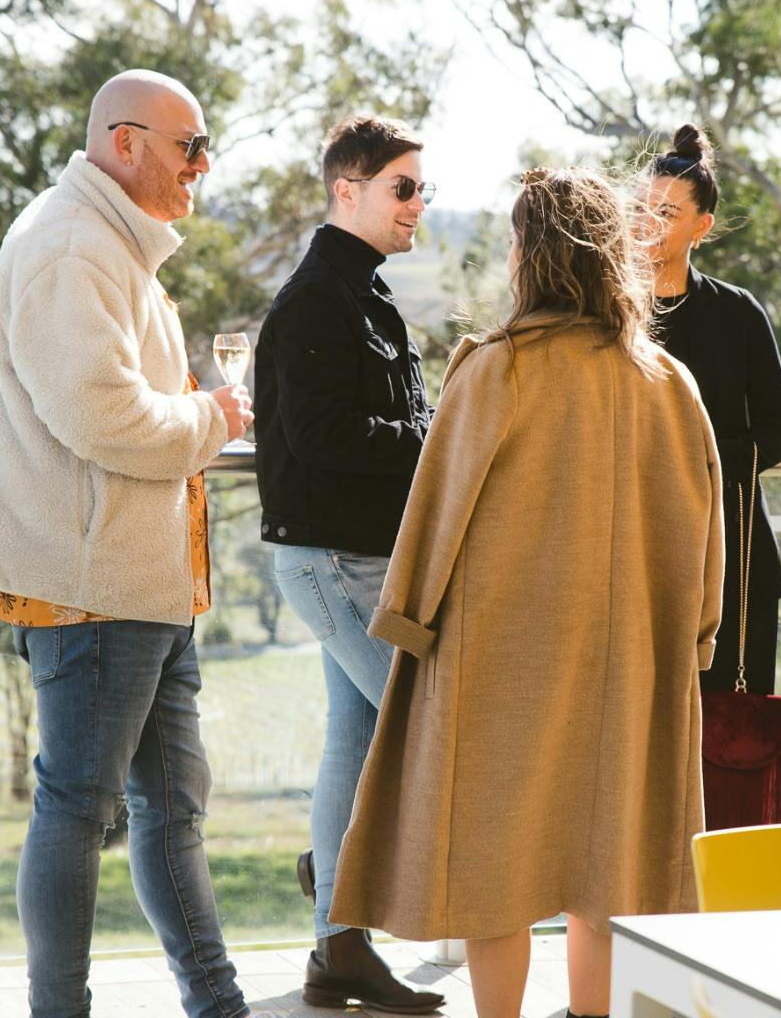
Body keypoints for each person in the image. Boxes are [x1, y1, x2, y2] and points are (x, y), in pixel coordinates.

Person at [329, 167, 725, 1018]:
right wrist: (695, 637)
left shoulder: (497, 368)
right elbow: (706, 532)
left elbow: (435, 512)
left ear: (529, 255)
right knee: (610, 866)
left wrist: (408, 619)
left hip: (504, 662)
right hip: (632, 665)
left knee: (493, 874)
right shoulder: (669, 383)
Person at [0, 69, 256, 1018]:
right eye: (190, 145)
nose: (203, 164)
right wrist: (213, 418)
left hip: (141, 585)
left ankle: (217, 1005)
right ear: (124, 143)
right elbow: (106, 417)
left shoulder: (101, 241)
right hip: (94, 592)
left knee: (170, 811)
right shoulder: (70, 248)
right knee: (78, 810)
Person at [254, 115, 443, 1013]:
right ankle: (336, 894)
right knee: (428, 729)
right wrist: (437, 437)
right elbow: (321, 436)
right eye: (403, 188)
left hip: (364, 560)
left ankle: (337, 942)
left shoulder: (366, 294)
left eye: (422, 190)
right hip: (333, 562)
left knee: (357, 743)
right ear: (348, 189)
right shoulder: (316, 303)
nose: (417, 205)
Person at [643, 124, 781, 702]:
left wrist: (696, 461)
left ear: (701, 227)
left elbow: (778, 433)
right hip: (636, 557)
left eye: (666, 212)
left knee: (732, 736)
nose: (646, 223)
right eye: (640, 208)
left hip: (734, 557)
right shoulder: (607, 315)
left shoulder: (738, 314)